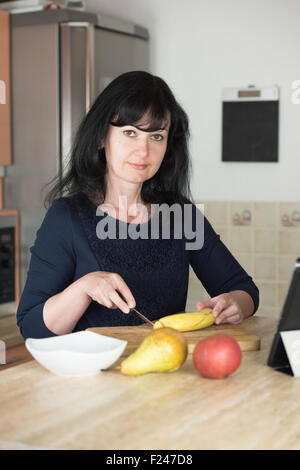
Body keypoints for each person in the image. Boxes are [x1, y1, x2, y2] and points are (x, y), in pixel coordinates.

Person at [16, 71, 259, 340]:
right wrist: (82, 288)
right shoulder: (67, 217)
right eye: (130, 133)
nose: (143, 151)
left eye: (156, 136)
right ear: (101, 137)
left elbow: (243, 289)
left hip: (163, 370)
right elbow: (32, 327)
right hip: (90, 379)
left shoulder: (181, 216)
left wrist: (235, 304)